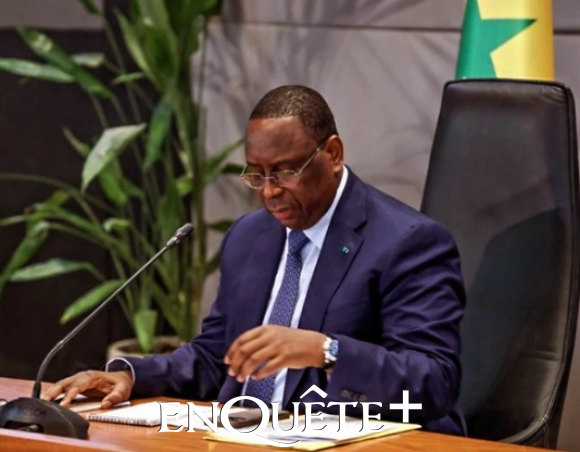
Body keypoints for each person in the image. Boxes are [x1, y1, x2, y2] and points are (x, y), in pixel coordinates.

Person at [43, 85, 466, 435]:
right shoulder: (250, 236)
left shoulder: (406, 242)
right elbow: (217, 357)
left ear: (333, 154)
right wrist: (130, 376)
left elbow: (435, 381)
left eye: (285, 172)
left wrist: (326, 351)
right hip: (240, 436)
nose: (269, 192)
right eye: (256, 174)